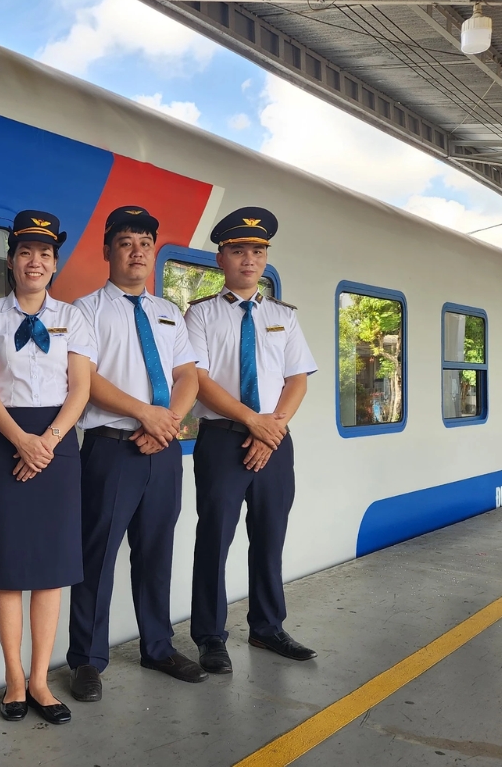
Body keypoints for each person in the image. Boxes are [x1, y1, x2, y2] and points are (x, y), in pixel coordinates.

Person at [67, 205, 207, 703]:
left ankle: (158, 645)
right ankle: (86, 659)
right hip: (110, 451)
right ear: (107, 250)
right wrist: (145, 414)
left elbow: (188, 375)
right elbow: (86, 379)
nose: (137, 251)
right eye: (126, 242)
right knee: (96, 557)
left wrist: (165, 421)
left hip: (162, 452)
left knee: (157, 552)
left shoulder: (168, 310)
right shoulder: (84, 310)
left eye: (145, 243)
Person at [184, 207, 318, 673]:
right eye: (239, 251)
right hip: (222, 441)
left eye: (257, 252)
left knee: (269, 537)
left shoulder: (283, 315)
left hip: (275, 441)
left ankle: (267, 627)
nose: (249, 260)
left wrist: (272, 426)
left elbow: (297, 378)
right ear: (221, 258)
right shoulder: (200, 315)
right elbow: (198, 379)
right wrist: (252, 421)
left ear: (265, 260)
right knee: (214, 538)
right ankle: (209, 636)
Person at [0, 210, 94, 726]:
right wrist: (21, 440)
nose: (35, 261)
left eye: (45, 253)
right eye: (26, 251)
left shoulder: (75, 317)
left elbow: (81, 389)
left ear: (55, 263)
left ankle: (42, 679)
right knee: (9, 568)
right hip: (6, 440)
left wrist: (44, 442)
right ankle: (14, 680)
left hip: (58, 443)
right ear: (11, 259)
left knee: (50, 572)